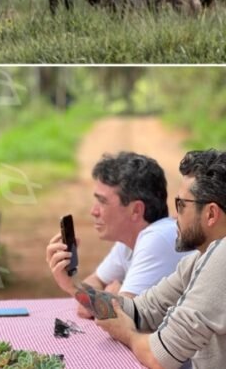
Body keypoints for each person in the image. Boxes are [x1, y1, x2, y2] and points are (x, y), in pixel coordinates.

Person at [97, 149, 226, 369]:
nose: (175, 216)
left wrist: (126, 332)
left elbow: (160, 357)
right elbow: (140, 311)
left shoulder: (222, 257)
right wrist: (73, 284)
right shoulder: (199, 259)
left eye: (182, 205)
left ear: (211, 214)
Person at [45, 152, 191, 318]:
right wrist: (108, 297)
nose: (93, 211)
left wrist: (72, 285)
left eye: (102, 201)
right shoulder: (130, 241)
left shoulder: (157, 237)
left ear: (136, 210)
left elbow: (118, 317)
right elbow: (95, 287)